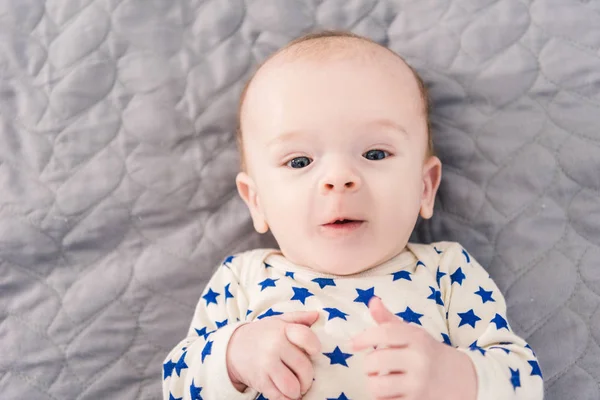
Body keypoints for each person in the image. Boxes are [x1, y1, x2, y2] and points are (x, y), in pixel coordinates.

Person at [162, 30, 544, 400]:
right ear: (256, 201)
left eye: (375, 154)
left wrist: (453, 376)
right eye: (299, 161)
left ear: (424, 187)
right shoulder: (242, 279)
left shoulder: (447, 272)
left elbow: (523, 379)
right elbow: (177, 383)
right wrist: (234, 357)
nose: (339, 178)